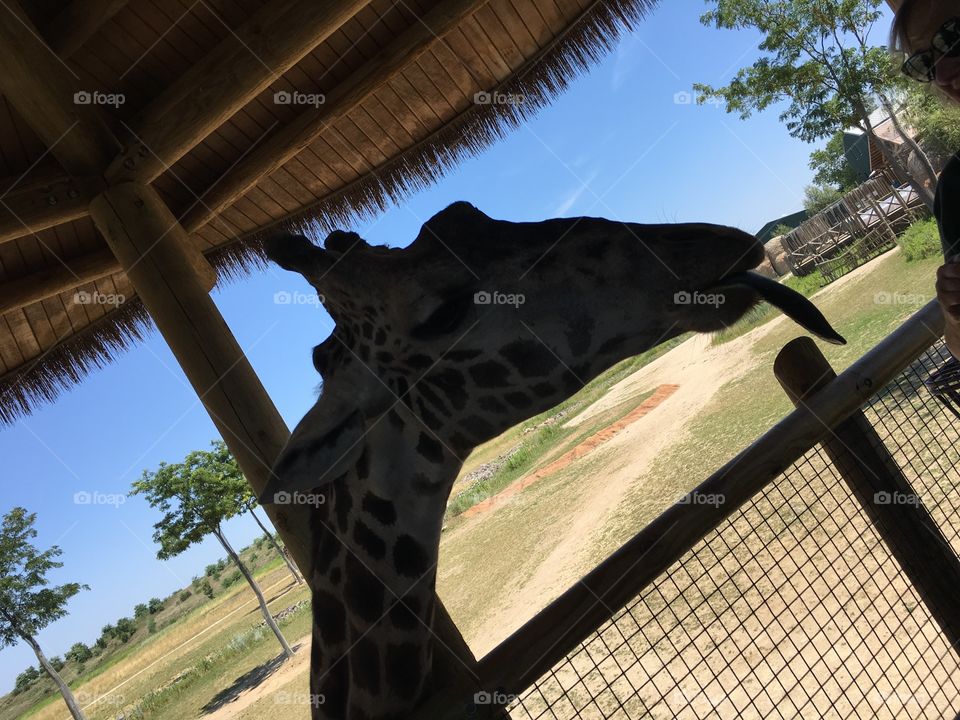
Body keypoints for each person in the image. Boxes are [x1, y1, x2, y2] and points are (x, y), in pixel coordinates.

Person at [892, 1, 960, 357]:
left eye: (952, 37)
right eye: (926, 64)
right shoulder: (955, 187)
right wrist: (954, 316)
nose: (943, 75)